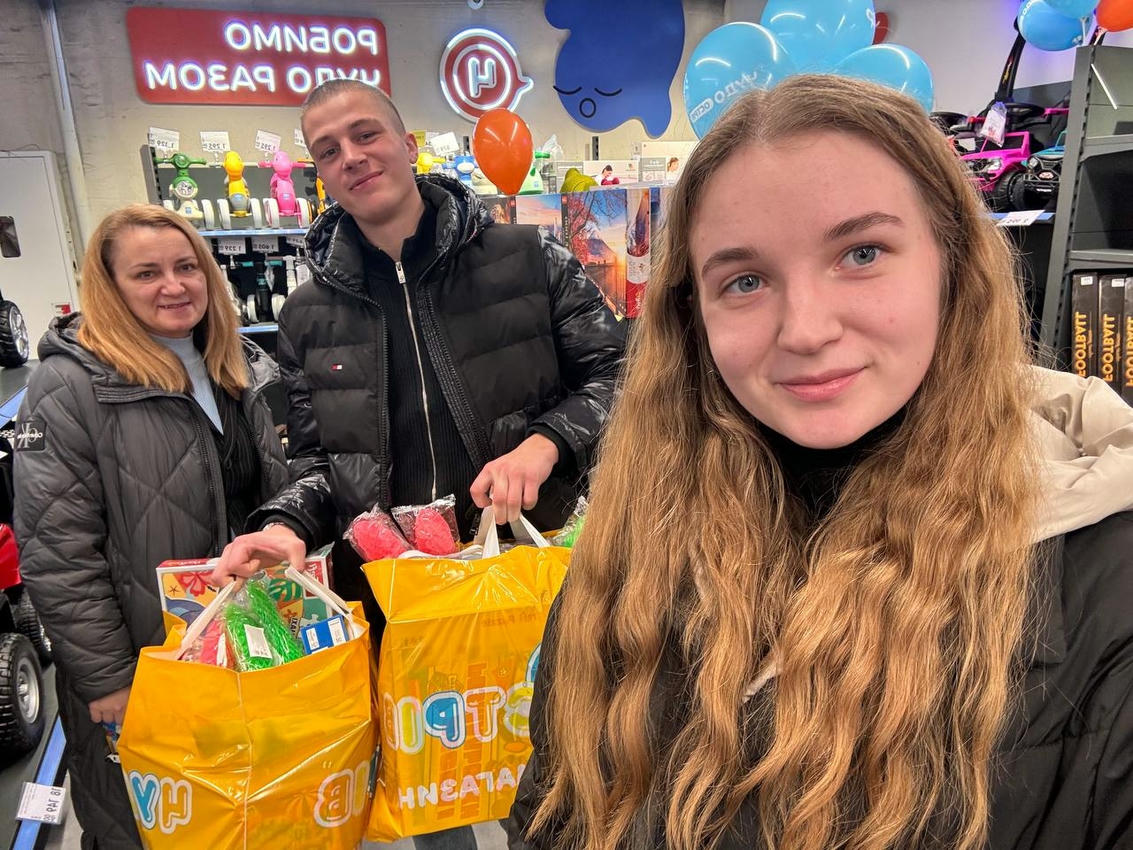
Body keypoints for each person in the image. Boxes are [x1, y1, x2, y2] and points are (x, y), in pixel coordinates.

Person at [507, 75, 1133, 850]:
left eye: (860, 253)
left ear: (951, 263)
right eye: (744, 281)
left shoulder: (1101, 581)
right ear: (692, 316)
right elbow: (554, 812)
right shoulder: (634, 546)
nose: (804, 329)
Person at [211, 79, 625, 849]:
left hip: (535, 575)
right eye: (327, 150)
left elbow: (621, 375)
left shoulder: (526, 258)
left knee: (565, 778)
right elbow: (319, 462)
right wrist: (284, 526)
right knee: (441, 797)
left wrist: (544, 444)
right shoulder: (306, 315)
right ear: (317, 174)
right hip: (405, 606)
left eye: (365, 134)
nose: (351, 156)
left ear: (407, 145)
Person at [13, 204, 289, 849]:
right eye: (146, 274)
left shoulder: (238, 365)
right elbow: (58, 553)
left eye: (187, 267)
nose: (174, 286)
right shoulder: (70, 385)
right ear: (109, 287)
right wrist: (109, 678)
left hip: (247, 646)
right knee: (151, 827)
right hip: (147, 662)